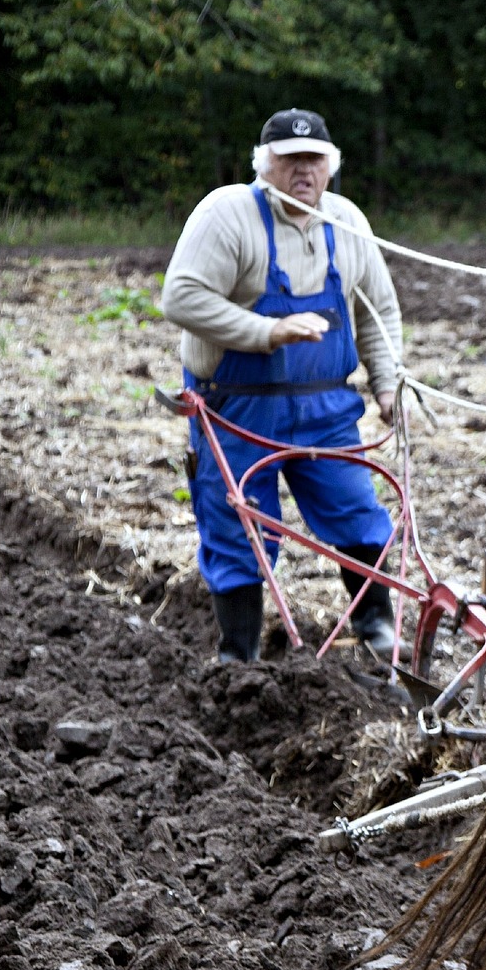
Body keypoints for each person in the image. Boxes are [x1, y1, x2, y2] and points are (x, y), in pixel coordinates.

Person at [161, 108, 403, 663]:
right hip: (236, 409)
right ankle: (238, 656)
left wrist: (386, 384)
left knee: (357, 512)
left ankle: (377, 631)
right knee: (238, 529)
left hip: (327, 408)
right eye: (290, 159)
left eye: (314, 159)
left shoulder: (347, 221)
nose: (303, 170)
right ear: (264, 163)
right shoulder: (226, 215)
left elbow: (377, 308)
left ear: (330, 165)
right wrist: (267, 332)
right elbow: (182, 298)